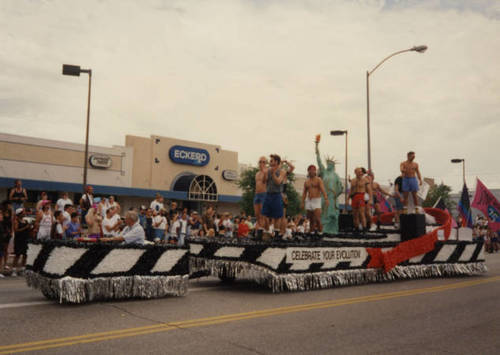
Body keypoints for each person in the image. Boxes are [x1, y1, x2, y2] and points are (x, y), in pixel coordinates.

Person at [315, 138, 344, 234]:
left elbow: (340, 187)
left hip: (333, 197)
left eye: (330, 164)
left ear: (333, 165)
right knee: (324, 213)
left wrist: (337, 193)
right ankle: (324, 230)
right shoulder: (324, 172)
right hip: (325, 196)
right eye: (328, 164)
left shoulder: (335, 175)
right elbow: (319, 160)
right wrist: (316, 146)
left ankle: (333, 231)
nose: (328, 165)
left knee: (333, 214)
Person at [262, 154, 287, 239]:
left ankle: (276, 234)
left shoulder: (282, 171)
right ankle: (266, 232)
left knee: (277, 217)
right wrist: (265, 173)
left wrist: (272, 174)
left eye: (272, 161)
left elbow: (278, 182)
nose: (270, 162)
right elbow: (263, 181)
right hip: (268, 194)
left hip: (276, 195)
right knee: (264, 214)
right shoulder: (268, 170)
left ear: (276, 162)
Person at [301, 165, 328, 234]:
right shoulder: (306, 182)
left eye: (313, 170)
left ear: (315, 171)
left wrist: (326, 199)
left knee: (318, 218)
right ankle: (312, 232)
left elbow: (322, 190)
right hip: (309, 200)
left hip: (317, 200)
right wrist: (302, 202)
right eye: (310, 170)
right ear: (308, 171)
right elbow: (304, 193)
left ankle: (320, 233)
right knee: (311, 219)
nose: (312, 171)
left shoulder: (318, 180)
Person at [12, 208, 31, 276]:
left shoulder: (25, 221)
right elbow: (16, 230)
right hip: (18, 240)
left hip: (25, 240)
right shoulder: (16, 221)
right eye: (23, 212)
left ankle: (23, 269)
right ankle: (14, 270)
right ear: (19, 214)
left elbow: (28, 229)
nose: (24, 213)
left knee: (25, 255)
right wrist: (26, 227)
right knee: (17, 255)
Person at [254, 156, 268, 237]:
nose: (261, 163)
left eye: (263, 162)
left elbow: (265, 181)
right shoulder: (257, 173)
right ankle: (263, 230)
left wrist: (264, 172)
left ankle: (261, 232)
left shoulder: (267, 171)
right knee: (257, 214)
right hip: (257, 194)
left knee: (263, 215)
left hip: (264, 194)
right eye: (260, 162)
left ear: (266, 163)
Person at [0, 212, 9, 277]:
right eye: (0, 215)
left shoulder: (2, 224)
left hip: (1, 242)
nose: (1, 216)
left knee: (1, 257)